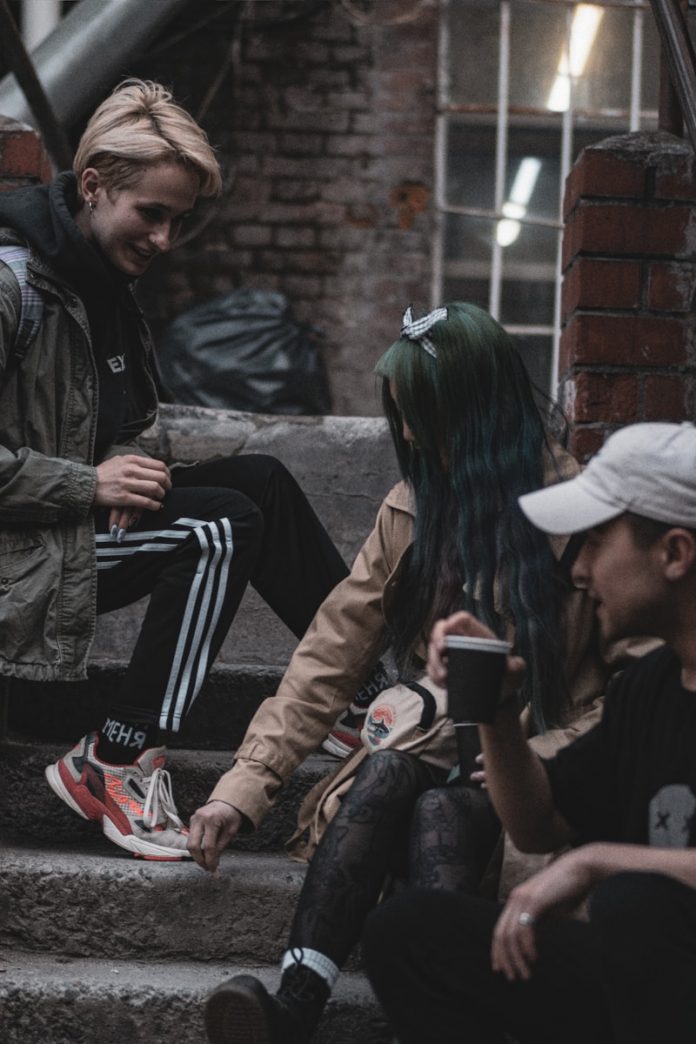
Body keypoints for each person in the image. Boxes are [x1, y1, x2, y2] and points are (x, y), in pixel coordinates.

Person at [194, 302, 613, 1044]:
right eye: (402, 415)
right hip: (425, 743)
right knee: (386, 773)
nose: (410, 435)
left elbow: (626, 693)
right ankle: (293, 1007)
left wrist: (539, 758)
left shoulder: (579, 519)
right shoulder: (412, 508)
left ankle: (431, 1019)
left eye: (422, 415)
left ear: (475, 411)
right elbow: (331, 652)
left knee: (440, 813)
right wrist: (243, 785)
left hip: (526, 773)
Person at [0, 78, 359, 861]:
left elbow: (109, 423)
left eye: (179, 220)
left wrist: (121, 460)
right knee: (219, 527)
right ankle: (117, 756)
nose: (165, 239)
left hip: (55, 533)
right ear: (93, 186)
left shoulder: (105, 287)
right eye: (151, 213)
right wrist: (87, 483)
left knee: (260, 482)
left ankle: (354, 695)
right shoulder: (11, 285)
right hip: (18, 559)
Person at [363, 420, 696, 1044]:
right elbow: (537, 824)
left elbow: (613, 880)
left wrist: (596, 863)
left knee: (636, 905)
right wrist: (495, 705)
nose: (579, 570)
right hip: (640, 979)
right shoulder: (650, 688)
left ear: (674, 554)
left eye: (596, 541)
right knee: (408, 934)